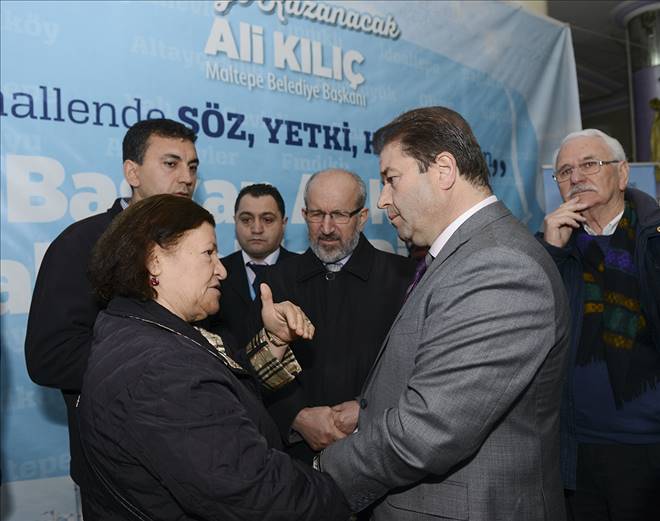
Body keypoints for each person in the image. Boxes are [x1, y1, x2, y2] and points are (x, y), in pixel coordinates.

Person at [318, 107, 570, 521]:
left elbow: (428, 429)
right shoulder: (466, 255)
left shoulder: (500, 265)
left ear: (444, 170)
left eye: (391, 179)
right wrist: (367, 413)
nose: (383, 199)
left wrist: (322, 470)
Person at [78, 194, 351, 520]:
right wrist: (341, 496)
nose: (221, 270)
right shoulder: (161, 370)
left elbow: (221, 392)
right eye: (208, 253)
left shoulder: (138, 324)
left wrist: (275, 341)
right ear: (154, 260)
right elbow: (254, 493)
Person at [24, 118, 199, 517]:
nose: (186, 178)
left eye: (192, 166)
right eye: (171, 163)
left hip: (195, 459)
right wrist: (160, 366)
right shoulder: (82, 244)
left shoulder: (195, 246)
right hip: (118, 474)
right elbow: (50, 356)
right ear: (132, 172)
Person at [538, 129, 660, 521]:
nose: (576, 177)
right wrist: (551, 253)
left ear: (622, 174)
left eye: (589, 164)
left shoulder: (653, 241)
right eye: (564, 171)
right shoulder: (550, 249)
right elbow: (530, 334)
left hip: (649, 447)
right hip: (574, 450)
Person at [263, 168, 415, 464]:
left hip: (380, 452)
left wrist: (367, 408)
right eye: (316, 214)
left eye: (339, 215)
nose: (327, 227)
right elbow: (254, 368)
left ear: (362, 217)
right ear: (304, 215)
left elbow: (419, 365)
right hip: (296, 461)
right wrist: (296, 416)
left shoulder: (403, 278)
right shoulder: (276, 281)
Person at [214, 183, 297, 348]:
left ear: (284, 223)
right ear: (235, 221)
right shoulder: (216, 273)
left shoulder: (303, 271)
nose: (256, 229)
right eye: (246, 220)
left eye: (267, 220)